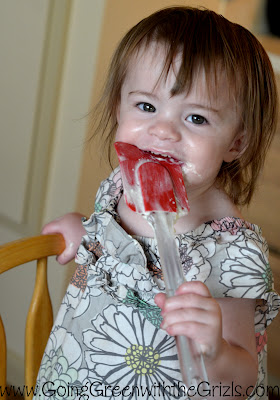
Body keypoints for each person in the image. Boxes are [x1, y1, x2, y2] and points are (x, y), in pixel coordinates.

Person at [34, 6, 280, 400]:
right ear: (119, 107)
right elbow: (115, 251)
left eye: (197, 118)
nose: (163, 130)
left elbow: (237, 384)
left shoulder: (230, 253)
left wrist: (213, 349)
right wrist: (85, 229)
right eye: (146, 106)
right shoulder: (120, 188)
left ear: (236, 142)